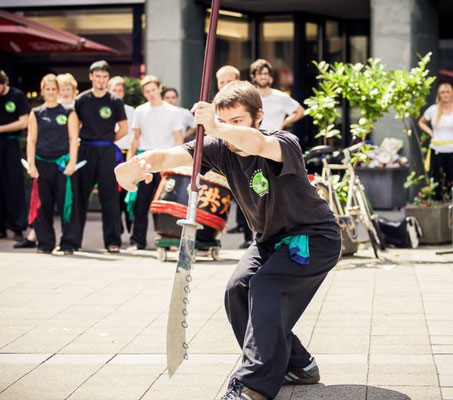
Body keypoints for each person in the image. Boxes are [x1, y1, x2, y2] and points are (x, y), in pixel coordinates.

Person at [115, 81, 341, 400]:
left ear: (258, 117)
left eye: (238, 121)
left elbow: (257, 145)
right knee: (238, 290)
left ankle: (253, 384)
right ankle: (299, 364)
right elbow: (171, 156)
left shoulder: (282, 143)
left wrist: (218, 126)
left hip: (313, 238)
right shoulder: (221, 149)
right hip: (269, 241)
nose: (230, 130)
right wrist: (135, 166)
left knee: (265, 286)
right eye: (225, 121)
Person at [15, 72, 79, 250]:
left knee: (67, 204)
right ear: (42, 91)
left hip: (62, 165)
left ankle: (68, 243)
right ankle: (45, 243)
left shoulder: (68, 112)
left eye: (54, 88)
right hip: (42, 164)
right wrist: (31, 164)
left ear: (58, 91)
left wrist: (72, 162)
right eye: (47, 89)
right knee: (42, 206)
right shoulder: (36, 113)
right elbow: (31, 140)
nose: (51, 92)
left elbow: (73, 139)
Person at [74, 60, 127, 253]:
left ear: (108, 79)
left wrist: (106, 140)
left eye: (105, 77)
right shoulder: (81, 100)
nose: (101, 80)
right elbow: (74, 125)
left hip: (106, 151)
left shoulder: (115, 101)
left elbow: (124, 128)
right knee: (80, 196)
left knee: (110, 197)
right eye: (97, 76)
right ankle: (73, 241)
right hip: (85, 150)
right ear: (91, 77)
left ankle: (113, 242)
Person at [127, 75, 183, 250]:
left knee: (166, 204)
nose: (151, 94)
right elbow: (135, 138)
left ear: (160, 89)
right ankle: (137, 241)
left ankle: (168, 241)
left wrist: (178, 164)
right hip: (145, 159)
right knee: (141, 203)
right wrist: (130, 161)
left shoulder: (173, 111)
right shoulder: (140, 111)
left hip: (166, 160)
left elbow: (179, 139)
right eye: (147, 91)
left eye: (153, 89)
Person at [216, 65, 253, 248]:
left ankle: (249, 237)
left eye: (228, 81)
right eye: (221, 82)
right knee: (216, 196)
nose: (224, 85)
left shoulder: (247, 105)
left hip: (244, 156)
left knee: (245, 199)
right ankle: (211, 237)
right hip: (221, 156)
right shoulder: (214, 107)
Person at [0, 69, 29, 241]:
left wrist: (1, 129)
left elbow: (24, 121)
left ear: (5, 84)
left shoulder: (16, 96)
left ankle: (18, 226)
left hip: (11, 144)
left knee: (14, 184)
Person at [108, 75, 135, 233]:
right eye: (114, 90)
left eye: (120, 90)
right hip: (111, 153)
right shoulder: (106, 108)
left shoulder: (130, 110)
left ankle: (130, 223)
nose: (117, 93)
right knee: (113, 193)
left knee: (128, 192)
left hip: (127, 154)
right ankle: (116, 227)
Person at [418, 82, 453, 200]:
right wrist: (430, 133)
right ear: (439, 95)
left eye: (447, 92)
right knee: (436, 178)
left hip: (451, 149)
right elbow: (421, 122)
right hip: (437, 149)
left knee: (450, 178)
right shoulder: (433, 110)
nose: (445, 95)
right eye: (443, 92)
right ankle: (437, 201)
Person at [250, 59, 305, 131]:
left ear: (270, 77)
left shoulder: (281, 96)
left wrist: (283, 124)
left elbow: (301, 111)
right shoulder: (250, 96)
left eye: (265, 74)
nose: (263, 77)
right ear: (253, 77)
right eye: (260, 74)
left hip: (275, 138)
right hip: (254, 138)